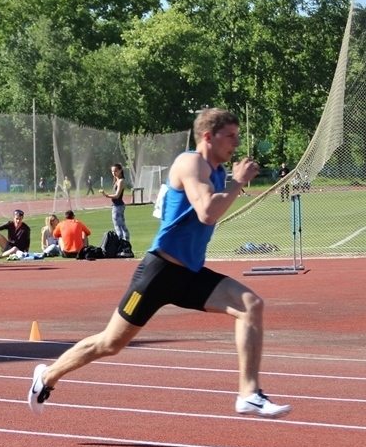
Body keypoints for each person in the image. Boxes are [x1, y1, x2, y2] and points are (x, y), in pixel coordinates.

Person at [28, 108, 291, 419]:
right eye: (230, 136)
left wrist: (232, 181)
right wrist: (237, 181)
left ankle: (248, 393)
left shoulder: (217, 172)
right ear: (208, 136)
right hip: (159, 272)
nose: (236, 142)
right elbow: (207, 211)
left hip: (189, 274)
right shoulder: (190, 162)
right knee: (110, 343)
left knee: (250, 304)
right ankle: (46, 377)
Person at [101, 163, 130, 243]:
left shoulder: (121, 181)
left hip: (118, 206)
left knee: (119, 227)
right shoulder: (117, 180)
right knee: (122, 226)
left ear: (120, 170)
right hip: (117, 205)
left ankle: (122, 245)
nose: (114, 173)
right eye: (112, 171)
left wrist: (106, 195)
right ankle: (125, 244)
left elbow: (117, 195)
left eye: (116, 171)